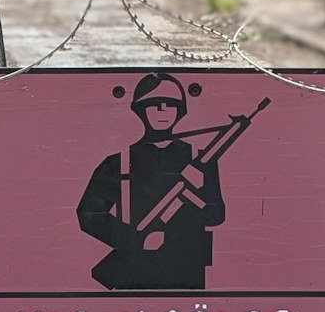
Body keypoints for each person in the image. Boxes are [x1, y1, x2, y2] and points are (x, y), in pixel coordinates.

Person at [76, 73, 227, 289]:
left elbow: (216, 215)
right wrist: (133, 240)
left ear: (180, 111)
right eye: (154, 105)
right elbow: (89, 213)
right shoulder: (119, 162)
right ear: (140, 110)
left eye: (171, 105)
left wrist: (195, 193)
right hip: (136, 269)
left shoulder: (201, 159)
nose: (163, 111)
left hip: (188, 269)